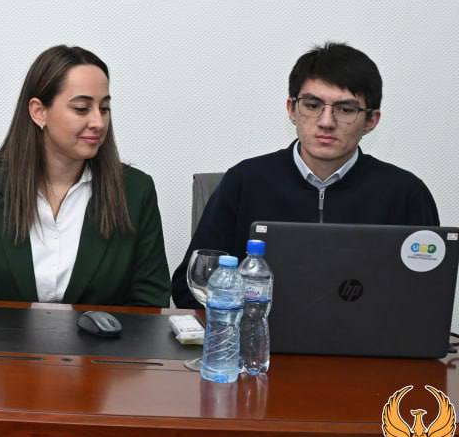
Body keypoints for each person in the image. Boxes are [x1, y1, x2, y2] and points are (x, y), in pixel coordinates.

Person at [171, 42, 439, 307]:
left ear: (371, 120)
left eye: (346, 110)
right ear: (291, 109)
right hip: (260, 333)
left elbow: (429, 297)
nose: (326, 122)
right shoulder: (244, 181)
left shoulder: (406, 193)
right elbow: (190, 288)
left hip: (368, 335)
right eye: (312, 105)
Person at [0, 45, 170, 306]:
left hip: (102, 335)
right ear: (39, 111)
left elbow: (151, 303)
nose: (98, 122)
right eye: (82, 108)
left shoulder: (136, 190)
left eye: (104, 108)